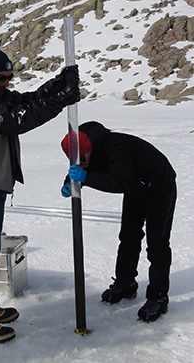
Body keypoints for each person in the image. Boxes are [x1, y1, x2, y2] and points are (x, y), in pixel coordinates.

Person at [0, 47, 80, 344]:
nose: (8, 82)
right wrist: (62, 101)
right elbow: (18, 119)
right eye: (2, 77)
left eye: (10, 77)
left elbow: (28, 100)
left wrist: (58, 84)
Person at [61, 121, 176, 323]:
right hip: (136, 186)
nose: (81, 164)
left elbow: (120, 182)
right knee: (129, 236)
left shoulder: (116, 148)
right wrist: (70, 182)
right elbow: (82, 168)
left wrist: (86, 178)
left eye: (82, 160)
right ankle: (126, 283)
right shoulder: (86, 147)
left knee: (157, 243)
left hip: (159, 184)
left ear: (89, 150)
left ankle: (158, 297)